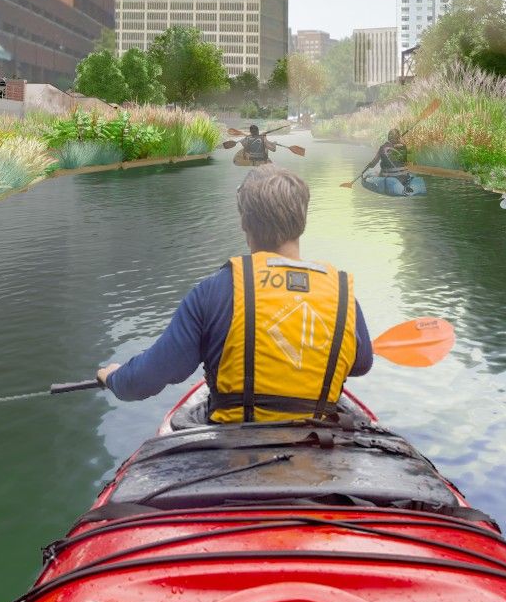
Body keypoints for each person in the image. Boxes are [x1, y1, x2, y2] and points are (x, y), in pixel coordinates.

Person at [97, 166, 374, 423]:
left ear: (245, 223)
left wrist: (114, 377)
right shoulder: (342, 296)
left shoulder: (213, 292)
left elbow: (143, 381)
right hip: (318, 447)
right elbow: (361, 365)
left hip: (234, 449)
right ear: (302, 220)